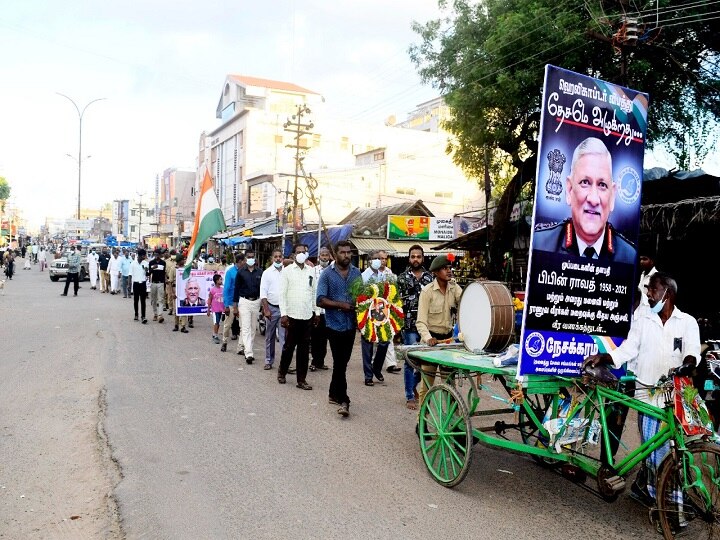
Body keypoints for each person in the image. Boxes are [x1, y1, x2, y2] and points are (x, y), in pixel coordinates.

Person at [583, 272, 700, 505]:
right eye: (648, 290)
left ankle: (667, 498)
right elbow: (628, 349)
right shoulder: (644, 319)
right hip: (647, 397)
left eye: (653, 290)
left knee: (670, 452)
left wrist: (686, 365)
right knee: (652, 452)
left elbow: (693, 352)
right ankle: (657, 496)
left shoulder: (687, 322)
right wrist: (605, 357)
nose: (648, 294)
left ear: (668, 294)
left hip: (674, 399)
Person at [532, 137, 636, 264]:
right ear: (569, 190)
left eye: (602, 185)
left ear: (612, 196)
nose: (593, 199)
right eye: (585, 182)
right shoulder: (540, 244)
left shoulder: (629, 257)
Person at [316, 240, 362, 417]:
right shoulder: (327, 274)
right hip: (334, 324)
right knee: (340, 361)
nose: (347, 255)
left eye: (349, 252)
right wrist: (340, 305)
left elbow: (361, 296)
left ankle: (332, 393)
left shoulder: (357, 273)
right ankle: (344, 400)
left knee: (342, 362)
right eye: (343, 252)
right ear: (335, 255)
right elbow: (320, 299)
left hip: (351, 325)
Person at [415, 255, 463, 409]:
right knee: (426, 387)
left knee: (450, 386)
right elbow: (421, 321)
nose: (449, 271)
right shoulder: (427, 292)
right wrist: (428, 338)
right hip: (431, 344)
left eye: (450, 268)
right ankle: (421, 422)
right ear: (435, 272)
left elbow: (466, 303)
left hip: (448, 342)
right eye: (444, 268)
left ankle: (453, 423)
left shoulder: (454, 288)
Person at [397, 244, 434, 410]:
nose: (416, 259)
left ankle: (414, 385)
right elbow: (396, 303)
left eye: (418, 256)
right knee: (409, 361)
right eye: (413, 256)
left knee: (424, 361)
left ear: (423, 258)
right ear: (409, 258)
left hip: (426, 326)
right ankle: (410, 395)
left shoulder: (430, 278)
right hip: (409, 325)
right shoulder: (402, 278)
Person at [277, 244, 318, 390]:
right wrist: (284, 315)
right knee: (289, 347)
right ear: (294, 255)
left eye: (304, 252)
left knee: (304, 350)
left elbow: (314, 293)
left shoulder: (312, 271)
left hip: (307, 315)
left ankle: (301, 380)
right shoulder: (287, 271)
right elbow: (282, 294)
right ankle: (282, 372)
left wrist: (317, 313)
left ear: (307, 254)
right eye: (298, 252)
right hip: (291, 316)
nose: (301, 254)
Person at [359, 249, 395, 386]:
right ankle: (368, 375)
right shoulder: (363, 276)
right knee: (367, 345)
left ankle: (377, 368)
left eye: (380, 259)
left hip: (382, 313)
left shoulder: (384, 275)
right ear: (369, 261)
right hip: (367, 314)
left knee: (384, 341)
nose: (378, 261)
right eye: (375, 258)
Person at [233, 249, 262, 363]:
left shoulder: (260, 272)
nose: (250, 259)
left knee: (253, 328)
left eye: (252, 257)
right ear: (245, 259)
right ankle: (248, 353)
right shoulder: (240, 272)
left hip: (256, 302)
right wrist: (235, 307)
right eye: (248, 257)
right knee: (245, 328)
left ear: (255, 258)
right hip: (244, 302)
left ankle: (247, 348)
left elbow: (263, 289)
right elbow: (236, 290)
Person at [260, 249, 286, 370]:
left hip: (284, 309)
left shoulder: (287, 272)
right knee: (269, 336)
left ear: (282, 258)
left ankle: (285, 363)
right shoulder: (267, 273)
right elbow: (263, 293)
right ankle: (269, 360)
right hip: (271, 308)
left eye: (280, 256)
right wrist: (266, 309)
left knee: (284, 337)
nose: (278, 259)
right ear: (272, 258)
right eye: (275, 257)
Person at [310, 246, 332, 371]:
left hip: (329, 311)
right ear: (319, 257)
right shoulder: (313, 271)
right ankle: (313, 361)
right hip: (316, 310)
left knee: (324, 339)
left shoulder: (333, 270)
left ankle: (321, 361)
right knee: (315, 337)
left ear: (329, 257)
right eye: (322, 255)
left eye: (326, 255)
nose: (324, 257)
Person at [221, 253, 244, 352]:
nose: (246, 262)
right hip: (230, 302)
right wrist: (226, 305)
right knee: (227, 325)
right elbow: (226, 289)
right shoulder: (230, 272)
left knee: (243, 326)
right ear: (240, 261)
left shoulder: (245, 271)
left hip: (242, 302)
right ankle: (224, 342)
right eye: (245, 260)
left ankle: (241, 347)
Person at [130, 248, 150, 323]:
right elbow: (130, 275)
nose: (144, 257)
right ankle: (136, 315)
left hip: (143, 283)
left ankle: (143, 316)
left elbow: (147, 274)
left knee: (143, 301)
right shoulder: (133, 264)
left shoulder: (145, 263)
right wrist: (129, 285)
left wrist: (148, 270)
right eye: (143, 256)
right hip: (135, 284)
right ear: (139, 256)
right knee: (136, 300)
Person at [148, 249, 166, 323]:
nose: (156, 256)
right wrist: (152, 268)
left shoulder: (163, 263)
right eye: (155, 254)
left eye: (158, 254)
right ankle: (155, 314)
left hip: (161, 283)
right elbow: (148, 273)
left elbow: (164, 273)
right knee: (153, 299)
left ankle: (160, 315)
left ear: (160, 255)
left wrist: (164, 283)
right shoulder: (151, 262)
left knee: (161, 299)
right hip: (153, 283)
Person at [637, 244, 658, 309]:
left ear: (652, 261)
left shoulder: (656, 276)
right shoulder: (642, 274)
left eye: (645, 259)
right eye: (640, 259)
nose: (641, 262)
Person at [207, 273, 225, 344]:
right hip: (215, 309)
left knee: (219, 322)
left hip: (221, 309)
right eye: (220, 279)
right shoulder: (212, 290)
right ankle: (215, 335)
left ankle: (215, 333)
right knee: (216, 322)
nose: (221, 280)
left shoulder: (223, 289)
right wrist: (208, 309)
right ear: (216, 281)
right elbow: (210, 299)